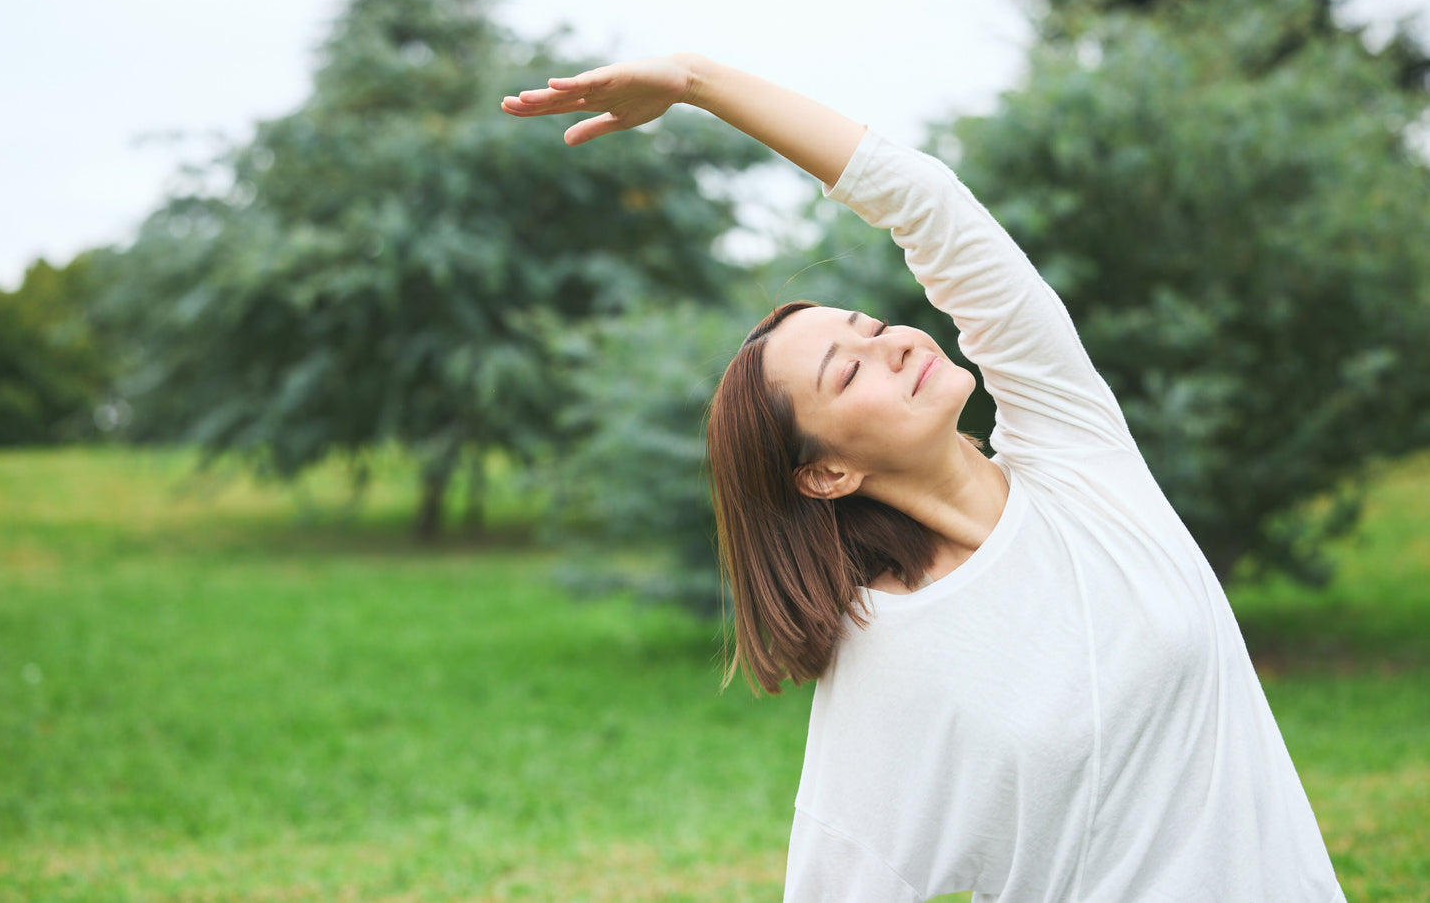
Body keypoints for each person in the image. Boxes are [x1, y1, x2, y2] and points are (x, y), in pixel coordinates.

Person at [502, 54, 1345, 903]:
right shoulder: (888, 659)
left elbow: (928, 205)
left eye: (871, 325)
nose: (895, 342)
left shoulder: (1076, 452)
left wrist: (694, 82)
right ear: (826, 472)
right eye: (847, 372)